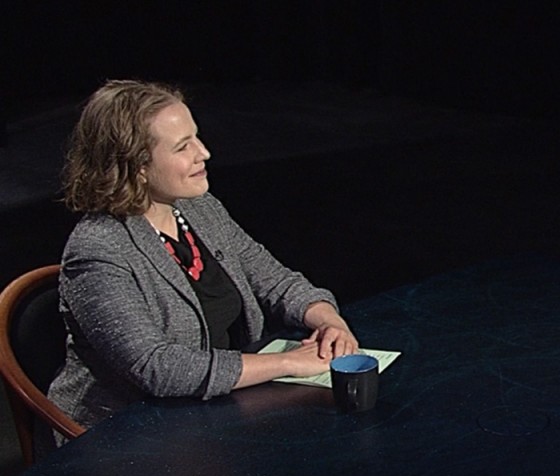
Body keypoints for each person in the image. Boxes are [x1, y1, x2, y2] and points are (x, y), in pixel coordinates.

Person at [48, 79, 360, 432]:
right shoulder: (99, 247)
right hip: (127, 432)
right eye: (183, 147)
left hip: (215, 410)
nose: (204, 152)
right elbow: (156, 368)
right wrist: (288, 362)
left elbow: (275, 281)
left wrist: (328, 320)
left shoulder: (200, 209)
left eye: (196, 137)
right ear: (138, 166)